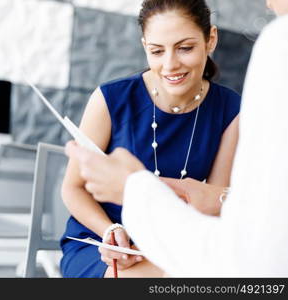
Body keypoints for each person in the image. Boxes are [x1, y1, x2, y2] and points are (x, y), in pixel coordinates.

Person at [64, 0, 288, 277]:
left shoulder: (232, 112)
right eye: (157, 51)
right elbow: (72, 188)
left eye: (185, 48)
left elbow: (213, 203)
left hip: (175, 240)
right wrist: (111, 231)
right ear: (145, 46)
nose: (170, 64)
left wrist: (165, 240)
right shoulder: (110, 99)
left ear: (211, 40)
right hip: (101, 243)